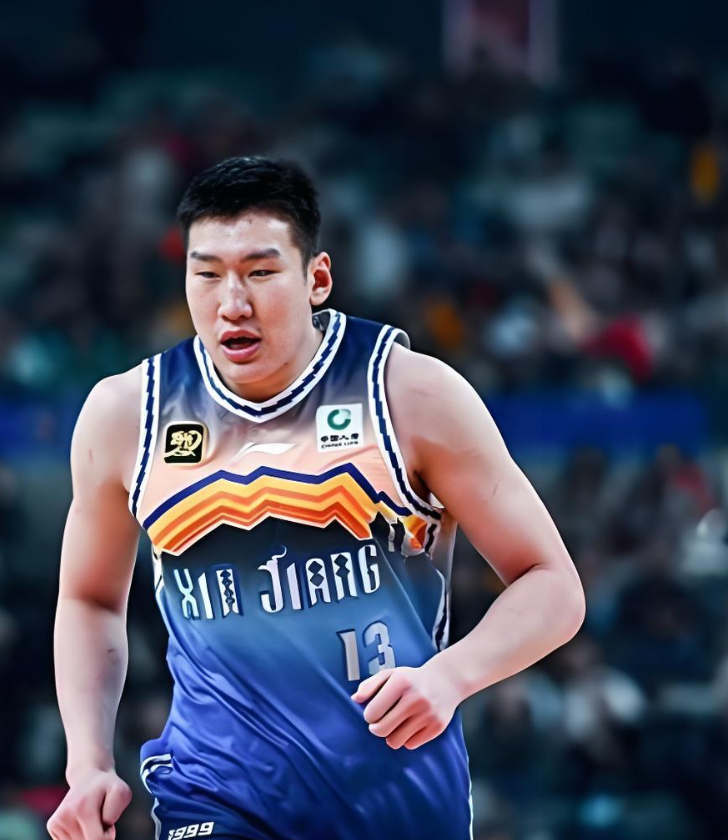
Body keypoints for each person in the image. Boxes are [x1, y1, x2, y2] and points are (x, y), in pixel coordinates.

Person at [48, 156, 585, 840]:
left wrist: (451, 678)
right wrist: (87, 763)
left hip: (395, 796)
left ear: (317, 278)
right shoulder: (128, 415)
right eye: (207, 274)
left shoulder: (411, 394)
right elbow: (89, 600)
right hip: (214, 794)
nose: (231, 303)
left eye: (260, 272)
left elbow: (553, 585)